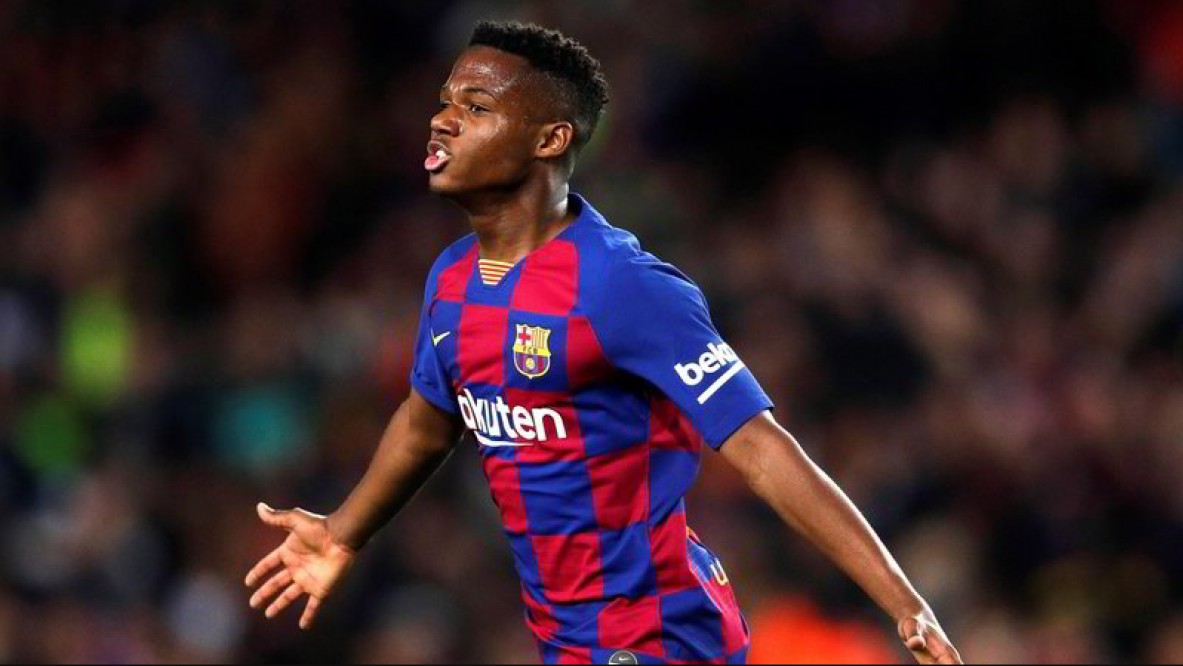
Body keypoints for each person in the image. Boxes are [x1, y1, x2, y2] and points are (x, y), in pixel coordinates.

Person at [244, 20, 963, 666]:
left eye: (477, 107)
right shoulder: (453, 280)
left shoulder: (622, 286)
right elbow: (427, 424)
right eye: (445, 101)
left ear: (550, 139)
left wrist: (903, 602)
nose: (442, 121)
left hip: (659, 635)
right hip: (567, 640)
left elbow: (760, 447)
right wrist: (343, 532)